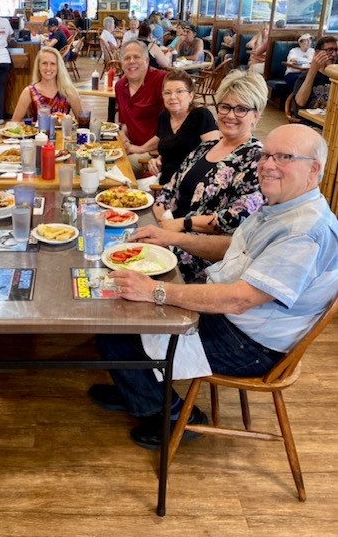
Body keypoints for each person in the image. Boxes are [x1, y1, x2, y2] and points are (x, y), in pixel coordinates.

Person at [90, 123, 338, 451]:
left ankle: (176, 416)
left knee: (117, 328)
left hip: (249, 345)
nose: (267, 165)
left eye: (284, 157)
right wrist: (170, 237)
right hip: (235, 317)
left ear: (314, 169)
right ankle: (135, 388)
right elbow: (235, 247)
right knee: (120, 311)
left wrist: (153, 291)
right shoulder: (283, 205)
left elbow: (240, 300)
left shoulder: (304, 231)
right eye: (266, 156)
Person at [153, 69, 267, 282]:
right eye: (225, 107)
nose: (230, 115)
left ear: (256, 116)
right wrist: (161, 214)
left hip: (202, 258)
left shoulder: (257, 157)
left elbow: (236, 218)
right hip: (169, 236)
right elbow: (170, 188)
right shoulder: (206, 147)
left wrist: (180, 226)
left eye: (241, 109)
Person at [147, 70, 219, 186]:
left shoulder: (201, 116)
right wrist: (157, 160)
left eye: (179, 91)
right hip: (164, 185)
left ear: (191, 96)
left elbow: (214, 156)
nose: (172, 97)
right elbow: (171, 149)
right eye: (167, 93)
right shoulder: (164, 116)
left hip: (191, 187)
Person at [116, 40, 167, 177]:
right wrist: (123, 136)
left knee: (118, 169)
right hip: (132, 147)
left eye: (136, 57)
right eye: (127, 58)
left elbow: (169, 129)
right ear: (122, 63)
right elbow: (125, 123)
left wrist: (139, 149)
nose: (131, 61)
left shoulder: (160, 80)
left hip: (156, 153)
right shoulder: (120, 86)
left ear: (147, 60)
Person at [12, 46, 83, 122]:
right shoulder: (29, 92)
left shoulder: (69, 91)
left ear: (58, 67)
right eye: (44, 63)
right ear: (38, 66)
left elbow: (83, 123)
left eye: (53, 64)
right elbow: (14, 123)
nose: (48, 68)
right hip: (38, 133)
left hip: (63, 133)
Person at [293, 35, 338, 114]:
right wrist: (313, 70)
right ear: (317, 53)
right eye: (329, 50)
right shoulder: (305, 76)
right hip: (309, 121)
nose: (334, 54)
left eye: (336, 50)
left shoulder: (335, 76)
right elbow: (300, 102)